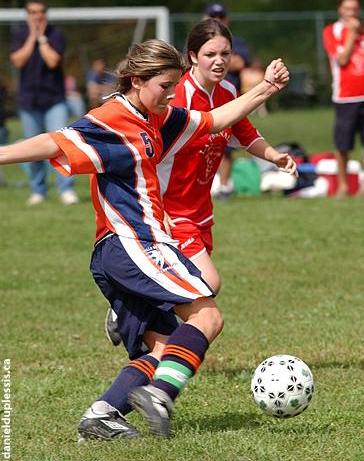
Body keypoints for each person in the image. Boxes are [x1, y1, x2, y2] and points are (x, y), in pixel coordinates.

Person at [0, 39, 290, 440]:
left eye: (175, 86)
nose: (171, 94)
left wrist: (265, 88)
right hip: (134, 242)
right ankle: (160, 395)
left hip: (117, 251)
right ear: (137, 80)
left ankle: (101, 416)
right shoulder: (112, 119)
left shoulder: (155, 116)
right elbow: (54, 141)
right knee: (207, 316)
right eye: (165, 86)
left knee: (164, 347)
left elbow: (215, 120)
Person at [10, 0, 79, 206]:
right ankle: (38, 191)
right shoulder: (19, 34)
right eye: (32, 13)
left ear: (45, 13)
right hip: (29, 100)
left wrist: (42, 39)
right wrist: (32, 37)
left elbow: (52, 61)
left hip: (54, 100)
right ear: (27, 14)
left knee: (61, 145)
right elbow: (18, 60)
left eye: (40, 12)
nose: (36, 17)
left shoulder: (56, 34)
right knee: (32, 149)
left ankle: (66, 189)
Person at [203, 3, 251, 199]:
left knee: (226, 144)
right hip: (204, 97)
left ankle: (223, 186)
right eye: (212, 16)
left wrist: (212, 58)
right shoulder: (198, 40)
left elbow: (241, 63)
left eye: (224, 53)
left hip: (229, 99)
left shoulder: (235, 40)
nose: (217, 20)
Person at [322, 0, 364, 198]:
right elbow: (341, 60)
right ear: (340, 9)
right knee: (343, 145)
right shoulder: (332, 31)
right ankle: (343, 186)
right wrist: (352, 35)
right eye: (347, 9)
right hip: (346, 96)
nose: (351, 13)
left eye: (355, 9)